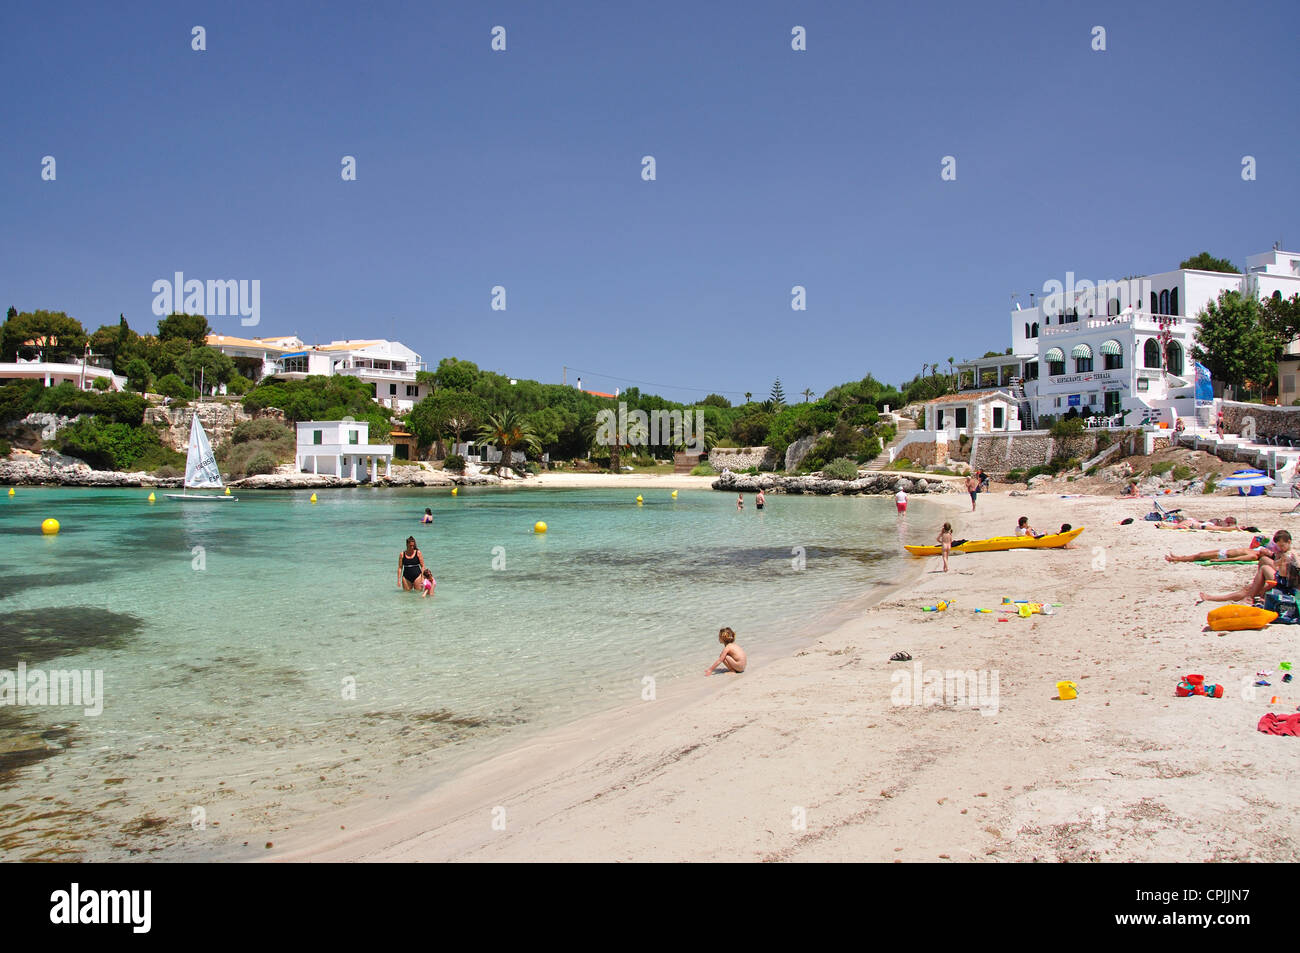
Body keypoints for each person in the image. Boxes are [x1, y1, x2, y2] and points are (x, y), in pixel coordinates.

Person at [1166, 530, 1290, 565]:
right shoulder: (1256, 551)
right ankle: (1179, 557)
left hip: (1224, 555)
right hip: (1224, 551)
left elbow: (1236, 559)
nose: (1267, 550)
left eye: (1267, 552)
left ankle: (1176, 560)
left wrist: (1219, 561)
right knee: (1200, 553)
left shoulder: (1253, 555)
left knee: (1200, 556)